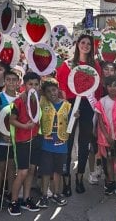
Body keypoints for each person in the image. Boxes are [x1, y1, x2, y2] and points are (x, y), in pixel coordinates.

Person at [56, 34, 102, 196]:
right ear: (77, 45)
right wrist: (66, 106)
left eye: (89, 43)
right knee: (67, 144)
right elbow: (61, 86)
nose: (86, 45)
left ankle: (80, 177)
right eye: (83, 42)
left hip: (87, 106)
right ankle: (66, 180)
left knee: (84, 143)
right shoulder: (67, 64)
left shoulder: (95, 65)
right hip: (70, 104)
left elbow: (97, 89)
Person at [8, 72, 41, 216]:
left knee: (32, 171)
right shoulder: (19, 101)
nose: (33, 87)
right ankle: (14, 201)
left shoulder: (40, 99)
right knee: (22, 172)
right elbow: (11, 120)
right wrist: (24, 126)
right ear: (24, 85)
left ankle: (26, 199)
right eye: (30, 84)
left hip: (35, 139)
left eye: (35, 84)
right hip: (22, 140)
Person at [36, 78, 72, 208]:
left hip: (62, 146)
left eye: (54, 89)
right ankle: (44, 195)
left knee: (58, 172)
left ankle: (57, 194)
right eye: (48, 91)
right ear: (44, 93)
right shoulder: (42, 103)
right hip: (47, 146)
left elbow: (71, 124)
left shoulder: (67, 106)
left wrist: (75, 116)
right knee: (46, 172)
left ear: (58, 90)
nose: (52, 93)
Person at [0, 70, 20, 210]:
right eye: (8, 79)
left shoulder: (20, 99)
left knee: (12, 167)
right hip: (2, 139)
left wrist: (15, 135)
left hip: (15, 140)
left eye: (14, 80)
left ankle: (9, 193)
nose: (11, 82)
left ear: (18, 82)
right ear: (5, 81)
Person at [95, 75, 116, 198]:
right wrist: (107, 136)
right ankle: (111, 183)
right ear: (105, 87)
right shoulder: (102, 102)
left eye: (115, 85)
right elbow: (100, 121)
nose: (113, 88)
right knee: (109, 160)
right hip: (107, 137)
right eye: (110, 86)